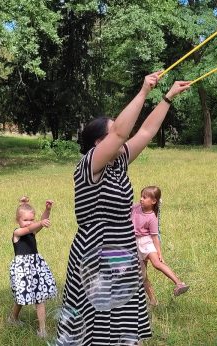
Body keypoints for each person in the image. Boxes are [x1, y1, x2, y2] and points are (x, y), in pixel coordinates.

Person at [56, 72, 191, 345]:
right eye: (113, 130)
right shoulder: (89, 165)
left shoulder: (119, 162)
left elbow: (146, 131)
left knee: (122, 319)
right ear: (98, 144)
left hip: (123, 249)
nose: (120, 131)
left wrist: (166, 98)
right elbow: (122, 131)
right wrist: (142, 92)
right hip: (95, 253)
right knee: (93, 321)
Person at [7, 197, 57, 338]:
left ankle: (42, 330)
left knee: (39, 298)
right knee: (21, 298)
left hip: (36, 267)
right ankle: (13, 318)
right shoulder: (17, 233)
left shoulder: (32, 231)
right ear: (18, 220)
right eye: (25, 220)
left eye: (31, 219)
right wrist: (38, 223)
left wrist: (47, 211)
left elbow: (39, 225)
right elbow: (30, 228)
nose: (29, 223)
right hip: (22, 269)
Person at [132, 186, 188, 307]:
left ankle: (179, 283)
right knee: (142, 275)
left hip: (146, 242)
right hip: (134, 243)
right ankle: (153, 300)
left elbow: (154, 237)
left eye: (144, 197)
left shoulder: (152, 217)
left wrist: (159, 252)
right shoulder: (136, 208)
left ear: (153, 201)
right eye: (141, 196)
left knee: (157, 263)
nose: (141, 199)